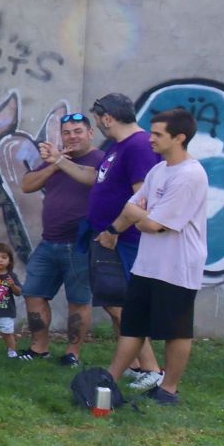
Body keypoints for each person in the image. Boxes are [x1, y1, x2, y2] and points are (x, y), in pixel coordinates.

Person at [106, 107, 210, 405]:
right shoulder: (158, 170)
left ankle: (169, 390)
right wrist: (146, 216)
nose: (150, 138)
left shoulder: (190, 175)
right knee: (133, 325)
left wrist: (145, 217)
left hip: (177, 266)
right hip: (147, 264)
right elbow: (132, 209)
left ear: (179, 138)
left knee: (176, 330)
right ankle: (109, 380)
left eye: (157, 134)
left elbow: (153, 224)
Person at [83, 92, 162, 379]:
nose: (97, 125)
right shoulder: (120, 146)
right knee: (112, 301)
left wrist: (115, 229)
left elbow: (143, 198)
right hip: (107, 235)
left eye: (97, 119)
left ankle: (152, 370)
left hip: (123, 239)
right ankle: (136, 365)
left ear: (107, 118)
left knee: (121, 305)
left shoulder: (138, 146)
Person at [18, 112, 105, 364]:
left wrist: (60, 161)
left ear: (90, 133)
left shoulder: (101, 160)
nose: (72, 137)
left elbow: (95, 180)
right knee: (33, 293)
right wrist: (56, 164)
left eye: (78, 131)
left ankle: (72, 353)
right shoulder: (57, 160)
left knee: (78, 301)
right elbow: (27, 185)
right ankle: (39, 348)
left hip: (79, 244)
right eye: (66, 133)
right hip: (49, 241)